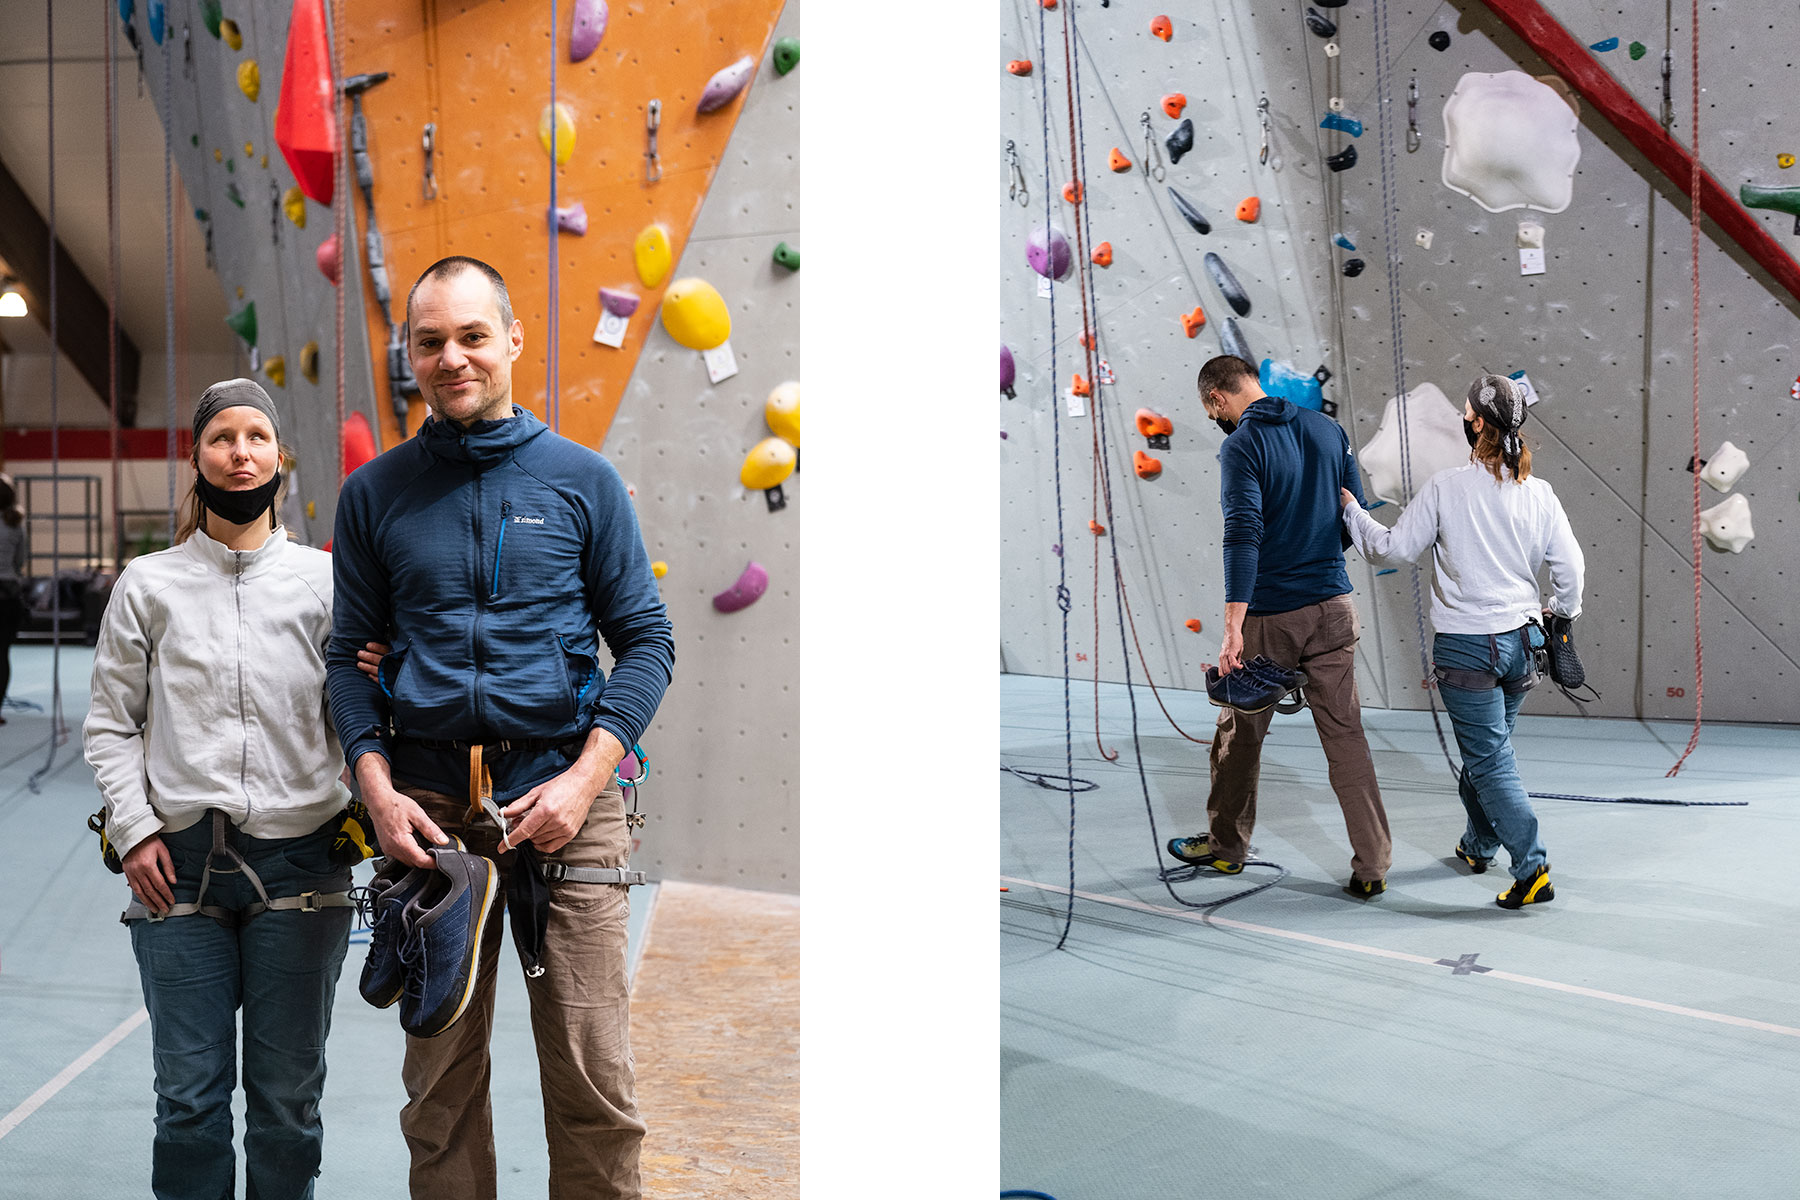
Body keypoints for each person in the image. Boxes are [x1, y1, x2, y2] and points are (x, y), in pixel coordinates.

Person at [326, 255, 675, 1200]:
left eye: (473, 336)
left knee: (595, 1082)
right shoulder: (374, 496)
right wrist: (377, 789)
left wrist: (586, 779)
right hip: (430, 814)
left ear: (513, 340)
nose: (453, 358)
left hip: (564, 797)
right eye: (430, 341)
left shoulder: (581, 482)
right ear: (410, 354)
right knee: (436, 1095)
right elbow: (344, 662)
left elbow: (645, 641)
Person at [83, 379, 355, 1200]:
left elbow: (360, 721)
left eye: (256, 437)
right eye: (221, 438)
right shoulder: (148, 584)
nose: (240, 453)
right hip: (178, 872)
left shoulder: (326, 582)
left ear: (281, 455)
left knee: (286, 1107)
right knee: (190, 1103)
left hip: (304, 870)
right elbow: (110, 723)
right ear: (195, 457)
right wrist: (133, 829)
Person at [1339, 373, 1584, 909]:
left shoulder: (1446, 489)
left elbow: (1391, 550)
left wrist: (1352, 511)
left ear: (1472, 423)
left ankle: (1533, 866)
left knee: (1489, 758)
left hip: (1467, 648)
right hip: (1522, 643)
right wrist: (1562, 614)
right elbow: (1571, 569)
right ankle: (1478, 844)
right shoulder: (1539, 493)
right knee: (1489, 752)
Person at [1165, 354, 1394, 898]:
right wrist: (1317, 559)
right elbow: (1351, 512)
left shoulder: (1241, 445)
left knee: (1238, 736)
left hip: (1270, 615)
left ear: (1217, 399)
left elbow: (1242, 532)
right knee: (1346, 737)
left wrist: (1232, 626)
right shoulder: (1328, 429)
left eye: (1211, 410)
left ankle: (1227, 849)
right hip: (1335, 606)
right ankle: (1374, 867)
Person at [0, 474, 25, 722]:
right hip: (8, 594)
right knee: (2, 653)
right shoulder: (15, 523)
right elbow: (19, 561)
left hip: (6, 592)